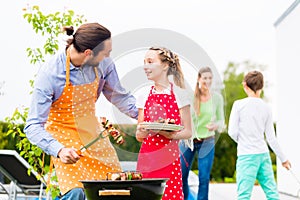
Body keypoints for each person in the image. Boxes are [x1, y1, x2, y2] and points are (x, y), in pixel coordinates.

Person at [24, 22, 138, 200]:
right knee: (77, 192)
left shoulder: (103, 64)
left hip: (93, 133)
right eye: (106, 52)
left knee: (115, 188)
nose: (109, 56)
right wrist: (59, 150)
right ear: (88, 53)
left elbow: (118, 95)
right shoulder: (50, 74)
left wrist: (142, 114)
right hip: (64, 138)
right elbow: (32, 126)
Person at [135, 46, 192, 200]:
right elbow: (139, 135)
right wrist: (142, 130)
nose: (145, 66)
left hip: (169, 159)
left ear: (165, 65)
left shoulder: (180, 94)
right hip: (147, 158)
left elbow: (188, 132)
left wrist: (168, 134)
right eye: (144, 62)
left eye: (150, 61)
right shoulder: (143, 94)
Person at [228, 70, 291, 200]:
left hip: (246, 155)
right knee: (272, 194)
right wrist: (284, 159)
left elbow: (232, 132)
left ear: (245, 85)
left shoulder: (238, 105)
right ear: (261, 86)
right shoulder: (266, 107)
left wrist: (244, 141)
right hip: (263, 155)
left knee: (243, 196)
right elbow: (271, 139)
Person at [179, 66, 225, 200]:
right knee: (182, 174)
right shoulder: (191, 97)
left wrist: (216, 125)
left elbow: (221, 120)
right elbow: (183, 117)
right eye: (205, 78)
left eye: (210, 78)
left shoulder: (217, 98)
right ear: (199, 79)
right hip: (188, 141)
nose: (208, 81)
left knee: (204, 178)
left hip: (207, 141)